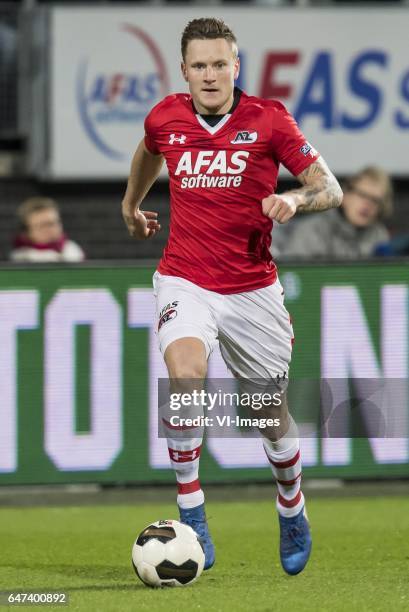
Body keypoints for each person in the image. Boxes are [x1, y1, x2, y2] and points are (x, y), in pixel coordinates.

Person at [122, 17, 342, 576]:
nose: (211, 74)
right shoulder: (167, 116)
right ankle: (191, 508)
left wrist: (294, 200)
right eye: (200, 65)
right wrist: (131, 203)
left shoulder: (268, 120)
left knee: (268, 414)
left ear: (236, 66)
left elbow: (329, 187)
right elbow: (150, 150)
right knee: (186, 377)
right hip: (185, 278)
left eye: (220, 63)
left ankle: (291, 504)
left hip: (252, 291)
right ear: (185, 71)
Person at [279, 166, 393, 259]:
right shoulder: (314, 229)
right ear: (345, 195)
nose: (368, 204)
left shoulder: (379, 235)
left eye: (375, 200)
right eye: (362, 195)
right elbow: (293, 276)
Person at [9, 197, 85, 262]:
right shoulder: (20, 258)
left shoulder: (73, 250)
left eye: (52, 223)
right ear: (27, 231)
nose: (49, 229)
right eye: (41, 225)